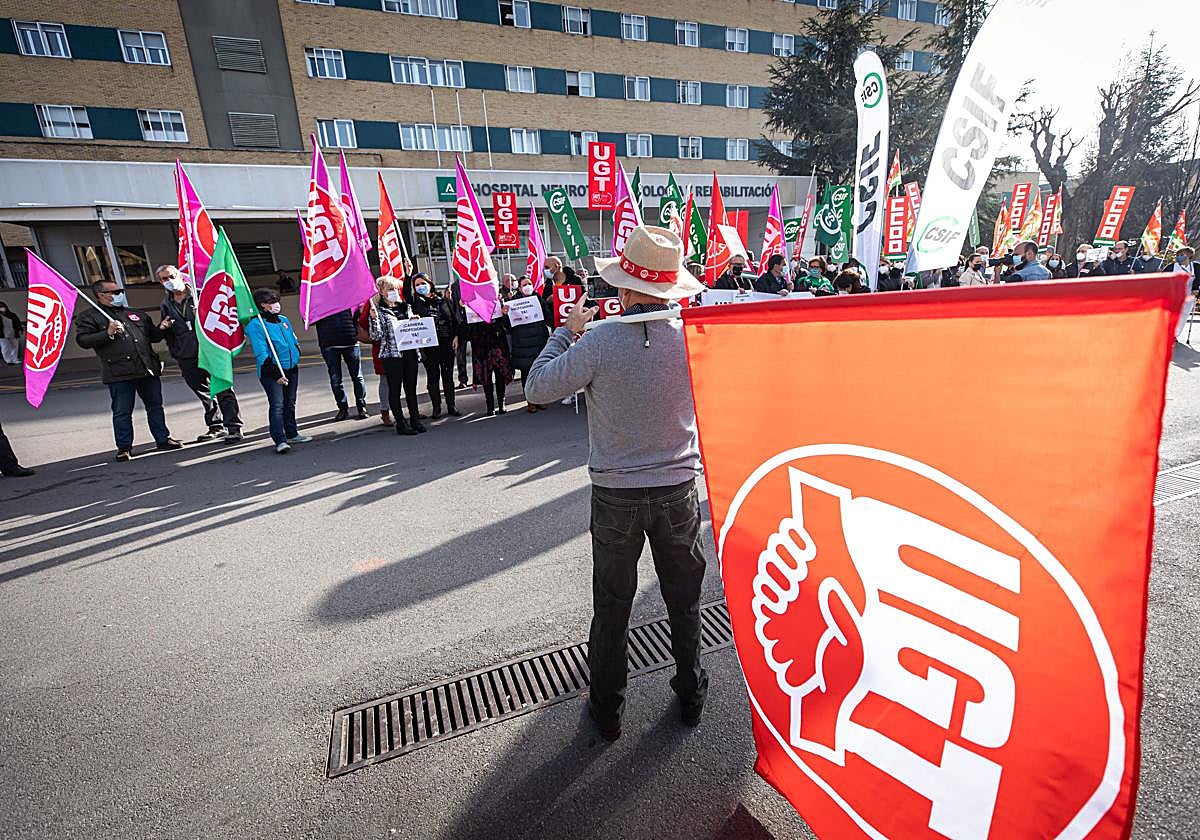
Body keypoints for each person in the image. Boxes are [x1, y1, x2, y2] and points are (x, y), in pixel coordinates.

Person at [525, 225, 708, 740]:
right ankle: (692, 692)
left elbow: (537, 387)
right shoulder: (692, 340)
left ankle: (607, 709)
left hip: (616, 495)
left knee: (612, 604)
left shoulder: (600, 340)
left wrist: (566, 330)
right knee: (684, 597)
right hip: (679, 488)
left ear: (624, 290)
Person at [76, 280, 182, 461]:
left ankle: (162, 438)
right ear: (101, 295)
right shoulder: (90, 317)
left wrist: (162, 328)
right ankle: (124, 447)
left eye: (120, 290)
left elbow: (153, 337)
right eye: (115, 291)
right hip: (119, 372)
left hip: (146, 368)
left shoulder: (135, 314)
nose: (119, 294)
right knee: (122, 411)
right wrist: (107, 333)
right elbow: (83, 341)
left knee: (155, 406)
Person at [154, 265, 243, 443]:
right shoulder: (166, 303)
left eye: (171, 276)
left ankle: (234, 427)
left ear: (179, 275)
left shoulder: (199, 293)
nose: (169, 281)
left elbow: (220, 315)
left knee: (223, 387)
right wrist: (166, 331)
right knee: (203, 391)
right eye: (164, 279)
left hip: (210, 349)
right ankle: (215, 426)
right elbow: (167, 330)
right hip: (186, 353)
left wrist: (202, 314)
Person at [244, 287, 309, 453]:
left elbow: (292, 340)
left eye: (276, 301)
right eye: (271, 302)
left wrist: (296, 353)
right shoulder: (256, 325)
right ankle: (279, 439)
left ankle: (292, 433)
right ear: (262, 305)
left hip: (291, 368)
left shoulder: (283, 320)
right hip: (272, 372)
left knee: (290, 403)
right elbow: (261, 354)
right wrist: (275, 374)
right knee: (277, 405)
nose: (275, 304)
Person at [368, 276, 425, 435]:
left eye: (395, 289)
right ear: (382, 292)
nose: (394, 292)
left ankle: (415, 420)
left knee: (411, 389)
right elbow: (376, 336)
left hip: (410, 353)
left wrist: (414, 320)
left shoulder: (404, 307)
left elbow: (414, 327)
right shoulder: (378, 310)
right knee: (395, 390)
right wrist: (373, 319)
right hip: (392, 355)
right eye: (390, 289)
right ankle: (401, 423)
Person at [408, 273, 462, 419]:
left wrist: (456, 336)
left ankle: (451, 405)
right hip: (428, 346)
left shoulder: (443, 301)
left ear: (430, 283)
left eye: (423, 283)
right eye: (417, 285)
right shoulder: (415, 303)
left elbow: (454, 320)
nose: (421, 286)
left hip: (446, 342)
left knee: (448, 376)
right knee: (433, 377)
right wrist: (408, 274)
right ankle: (436, 407)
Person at [507, 275, 552, 412]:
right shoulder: (513, 302)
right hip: (523, 344)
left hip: (539, 341)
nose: (528, 286)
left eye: (529, 283)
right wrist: (505, 313)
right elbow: (508, 326)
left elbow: (548, 317)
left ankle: (541, 399)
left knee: (541, 372)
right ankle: (530, 401)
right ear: (519, 288)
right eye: (524, 284)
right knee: (527, 374)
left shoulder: (538, 298)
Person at [315, 307, 369, 421]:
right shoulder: (318, 300)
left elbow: (358, 314)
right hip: (329, 343)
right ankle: (342, 408)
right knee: (336, 380)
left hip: (350, 341)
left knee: (357, 377)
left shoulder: (347, 294)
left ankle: (361, 406)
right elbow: (309, 320)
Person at [468, 303, 513, 416]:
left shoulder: (497, 303)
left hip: (498, 346)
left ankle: (501, 403)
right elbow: (466, 330)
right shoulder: (472, 305)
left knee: (500, 375)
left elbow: (508, 326)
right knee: (485, 377)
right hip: (481, 347)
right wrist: (464, 310)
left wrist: (504, 314)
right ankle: (490, 406)